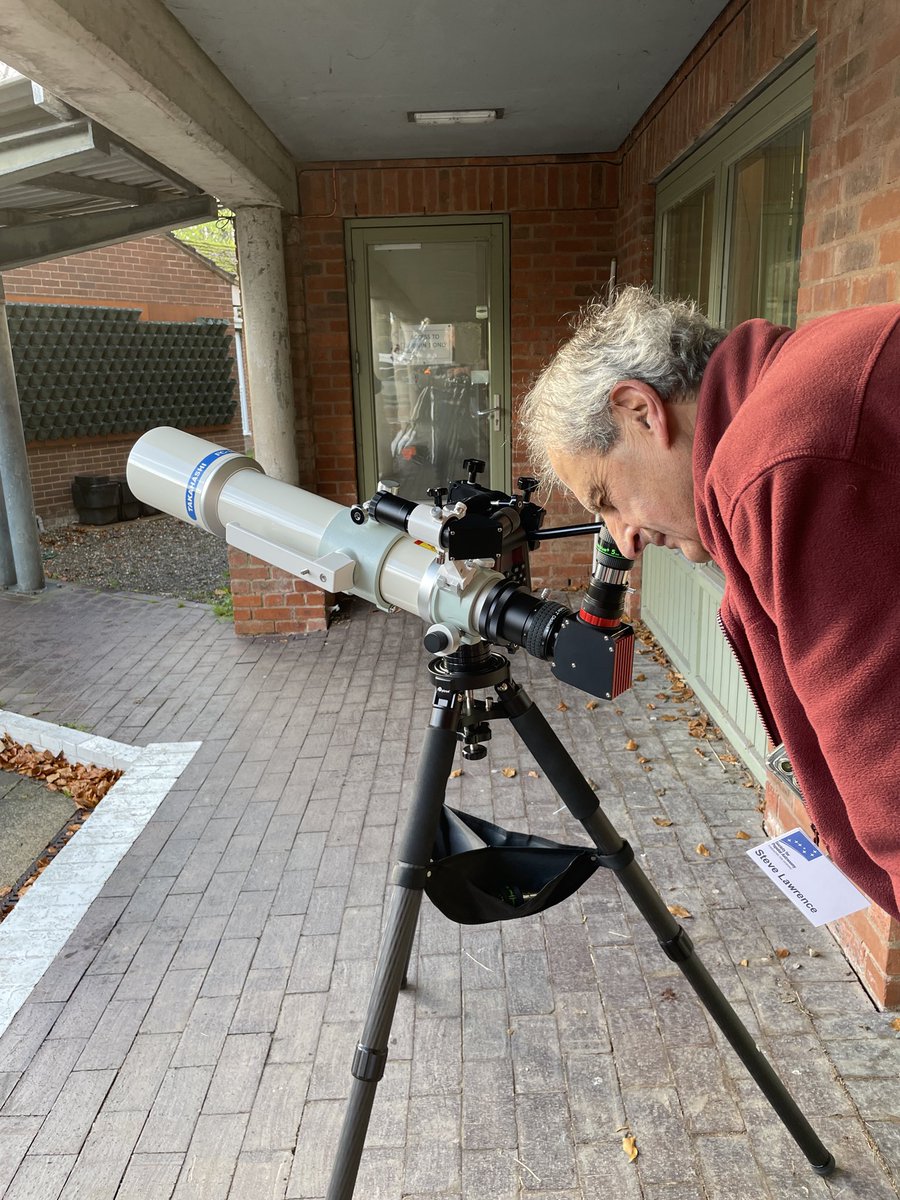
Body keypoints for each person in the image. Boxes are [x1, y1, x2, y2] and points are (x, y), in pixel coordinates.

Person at [521, 286, 900, 921]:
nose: (625, 541)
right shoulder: (804, 382)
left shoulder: (776, 466)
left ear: (641, 411)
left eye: (606, 499)